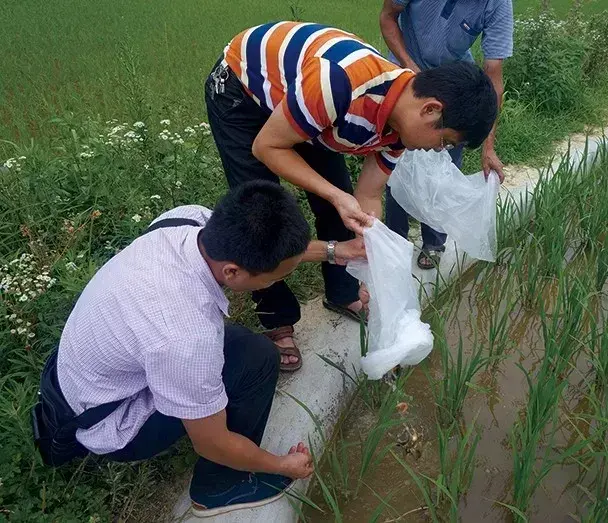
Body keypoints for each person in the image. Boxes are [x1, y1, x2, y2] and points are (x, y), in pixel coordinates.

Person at [32, 181, 366, 517]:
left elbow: (275, 254)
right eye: (273, 279)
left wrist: (338, 251)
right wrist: (281, 465)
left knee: (237, 349)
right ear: (232, 272)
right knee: (257, 360)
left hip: (79, 378)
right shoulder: (186, 337)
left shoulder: (188, 222)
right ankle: (217, 487)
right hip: (108, 422)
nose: (276, 282)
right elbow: (211, 442)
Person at [205, 21, 498, 367]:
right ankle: (276, 317)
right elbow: (267, 146)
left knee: (339, 203)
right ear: (430, 109)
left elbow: (367, 194)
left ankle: (342, 292)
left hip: (306, 103)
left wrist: (369, 235)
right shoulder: (340, 82)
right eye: (445, 142)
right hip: (242, 89)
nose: (439, 151)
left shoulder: (399, 130)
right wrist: (335, 195)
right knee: (260, 210)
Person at [380, 0, 513, 269]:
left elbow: (493, 77)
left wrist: (488, 147)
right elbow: (387, 18)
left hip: (455, 87)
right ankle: (395, 240)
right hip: (405, 76)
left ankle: (433, 242)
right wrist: (412, 70)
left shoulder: (497, 3)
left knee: (443, 171)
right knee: (393, 164)